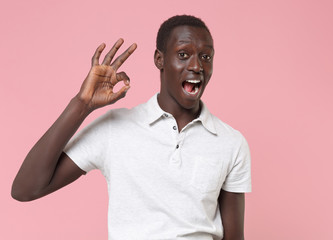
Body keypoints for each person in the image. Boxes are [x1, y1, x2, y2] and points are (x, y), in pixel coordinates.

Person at [12, 15, 251, 240]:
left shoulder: (231, 142)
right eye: (183, 54)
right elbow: (25, 189)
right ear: (160, 59)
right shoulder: (114, 129)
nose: (197, 66)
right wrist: (82, 104)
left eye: (206, 57)